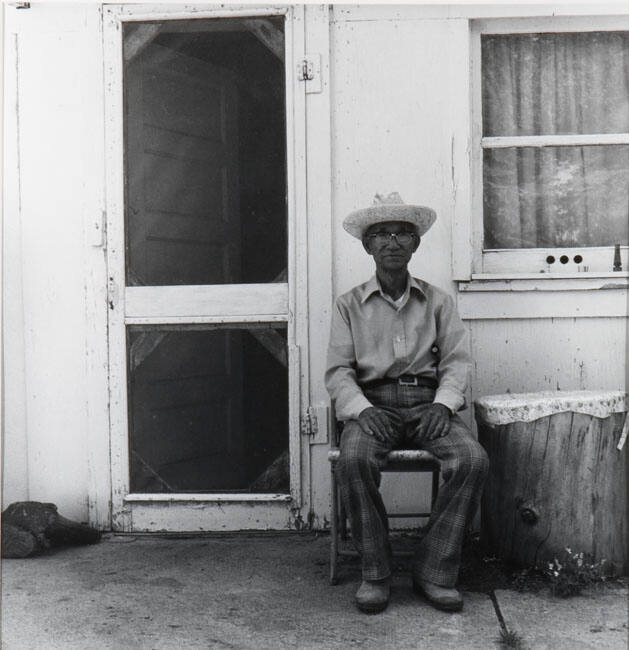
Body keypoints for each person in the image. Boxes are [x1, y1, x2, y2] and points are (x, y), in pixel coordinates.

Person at [325, 193, 489, 614]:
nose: (392, 241)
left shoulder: (437, 302)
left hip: (427, 403)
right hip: (373, 405)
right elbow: (339, 372)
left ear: (415, 244)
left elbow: (456, 362)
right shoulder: (349, 305)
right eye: (381, 234)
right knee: (354, 460)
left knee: (472, 460)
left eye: (402, 233)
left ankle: (433, 569)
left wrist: (444, 404)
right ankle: (375, 573)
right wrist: (362, 410)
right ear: (367, 246)